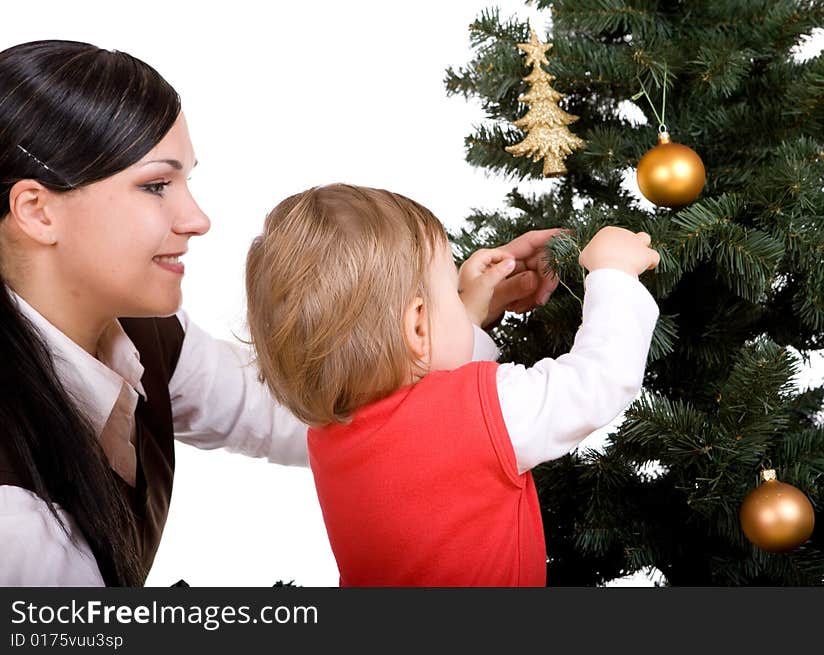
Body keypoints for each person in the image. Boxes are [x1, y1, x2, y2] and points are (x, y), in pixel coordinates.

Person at [0, 40, 558, 586]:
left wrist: (450, 318)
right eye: (155, 186)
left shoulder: (146, 336)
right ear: (37, 211)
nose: (197, 218)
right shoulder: (12, 515)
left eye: (186, 181)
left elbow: (322, 402)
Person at [245, 184, 661, 586]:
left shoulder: (329, 436)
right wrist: (614, 273)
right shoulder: (477, 415)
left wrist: (472, 305)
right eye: (449, 286)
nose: (458, 295)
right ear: (418, 324)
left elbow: (426, 387)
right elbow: (597, 381)